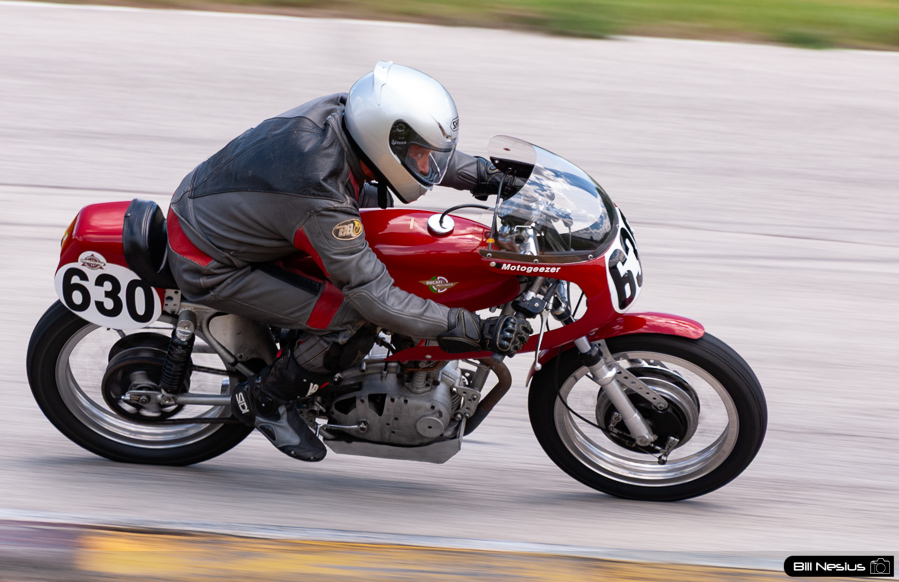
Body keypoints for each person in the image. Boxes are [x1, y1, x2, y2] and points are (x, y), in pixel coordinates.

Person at [166, 61, 532, 462]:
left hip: (230, 208)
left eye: (428, 155)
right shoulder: (323, 194)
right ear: (382, 139)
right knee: (353, 318)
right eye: (420, 155)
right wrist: (469, 326)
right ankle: (266, 400)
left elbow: (403, 156)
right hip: (211, 258)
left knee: (381, 216)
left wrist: (488, 176)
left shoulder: (346, 114)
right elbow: (375, 298)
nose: (426, 167)